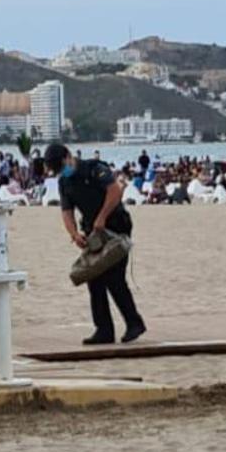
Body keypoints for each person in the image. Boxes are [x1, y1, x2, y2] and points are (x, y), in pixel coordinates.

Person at [44, 143, 146, 345]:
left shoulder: (94, 169)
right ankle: (103, 329)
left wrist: (102, 217)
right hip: (93, 232)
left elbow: (114, 192)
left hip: (116, 225)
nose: (60, 171)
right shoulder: (65, 182)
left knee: (114, 277)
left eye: (60, 165)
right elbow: (66, 212)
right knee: (94, 278)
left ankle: (134, 323)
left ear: (68, 156)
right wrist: (74, 234)